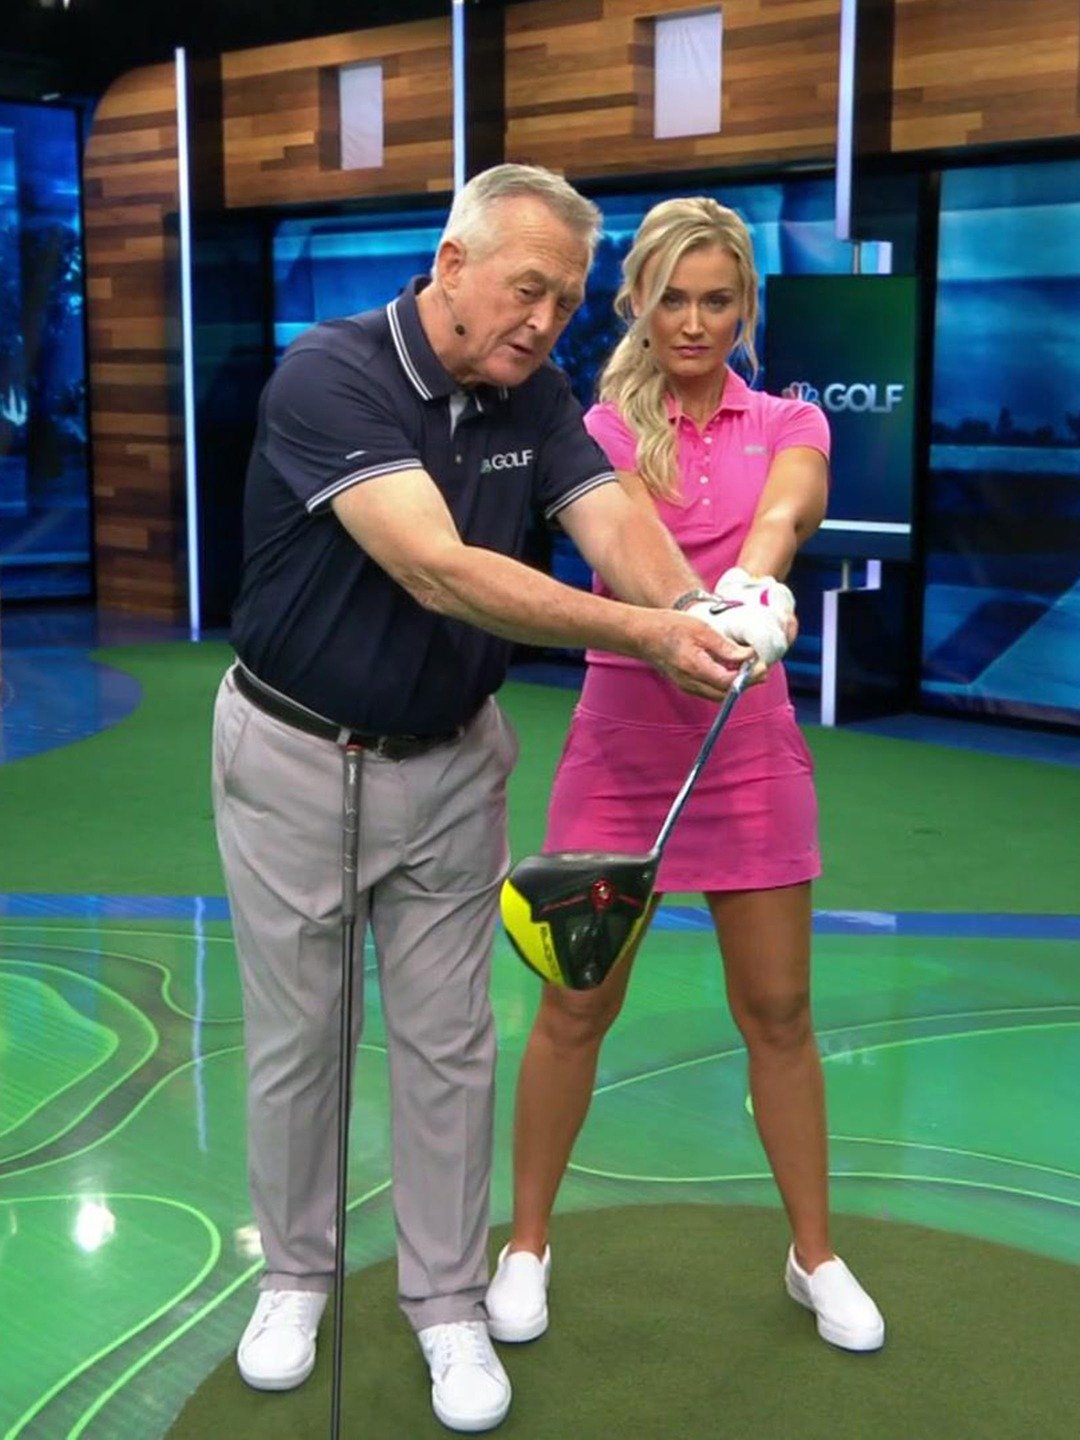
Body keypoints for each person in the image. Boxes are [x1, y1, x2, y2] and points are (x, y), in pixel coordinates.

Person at [211, 166, 774, 1435]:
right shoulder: (331, 375)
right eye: (528, 290)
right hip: (295, 755)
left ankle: (448, 1304)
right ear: (451, 264)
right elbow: (438, 568)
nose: (545, 321)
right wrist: (647, 635)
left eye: (566, 301)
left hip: (455, 760)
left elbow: (608, 517)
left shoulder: (539, 393)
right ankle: (294, 1279)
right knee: (301, 1040)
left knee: (450, 1043)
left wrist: (696, 607)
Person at [484, 196, 886, 1358]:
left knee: (781, 1012)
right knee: (576, 1004)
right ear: (640, 305)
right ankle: (526, 1245)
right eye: (674, 299)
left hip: (749, 755)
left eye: (718, 300)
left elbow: (788, 508)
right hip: (621, 752)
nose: (696, 322)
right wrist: (694, 609)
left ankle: (815, 1257)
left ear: (745, 306)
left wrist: (752, 585)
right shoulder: (601, 431)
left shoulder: (791, 418)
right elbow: (618, 546)